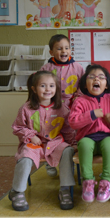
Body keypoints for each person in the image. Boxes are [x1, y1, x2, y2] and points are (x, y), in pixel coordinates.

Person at [10, 71, 76, 211]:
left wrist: (73, 143)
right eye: (43, 86)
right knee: (25, 156)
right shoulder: (26, 108)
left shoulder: (62, 109)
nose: (48, 89)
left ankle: (65, 189)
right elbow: (17, 127)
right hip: (34, 143)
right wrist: (29, 135)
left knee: (68, 151)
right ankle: (17, 191)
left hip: (55, 143)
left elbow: (68, 129)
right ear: (34, 89)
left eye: (51, 86)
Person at [69, 64, 110, 203]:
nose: (96, 80)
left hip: (107, 136)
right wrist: (91, 115)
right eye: (92, 77)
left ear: (106, 84)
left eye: (101, 77)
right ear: (85, 83)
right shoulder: (80, 101)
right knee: (85, 145)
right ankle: (87, 182)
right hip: (87, 137)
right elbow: (73, 121)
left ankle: (107, 181)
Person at [40, 34, 84, 177]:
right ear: (51, 52)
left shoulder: (77, 67)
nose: (64, 51)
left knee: (71, 134)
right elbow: (39, 86)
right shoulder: (46, 68)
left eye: (66, 48)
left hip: (72, 107)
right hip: (52, 107)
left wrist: (77, 100)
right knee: (51, 133)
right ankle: (49, 159)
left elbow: (83, 87)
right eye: (59, 49)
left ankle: (70, 164)